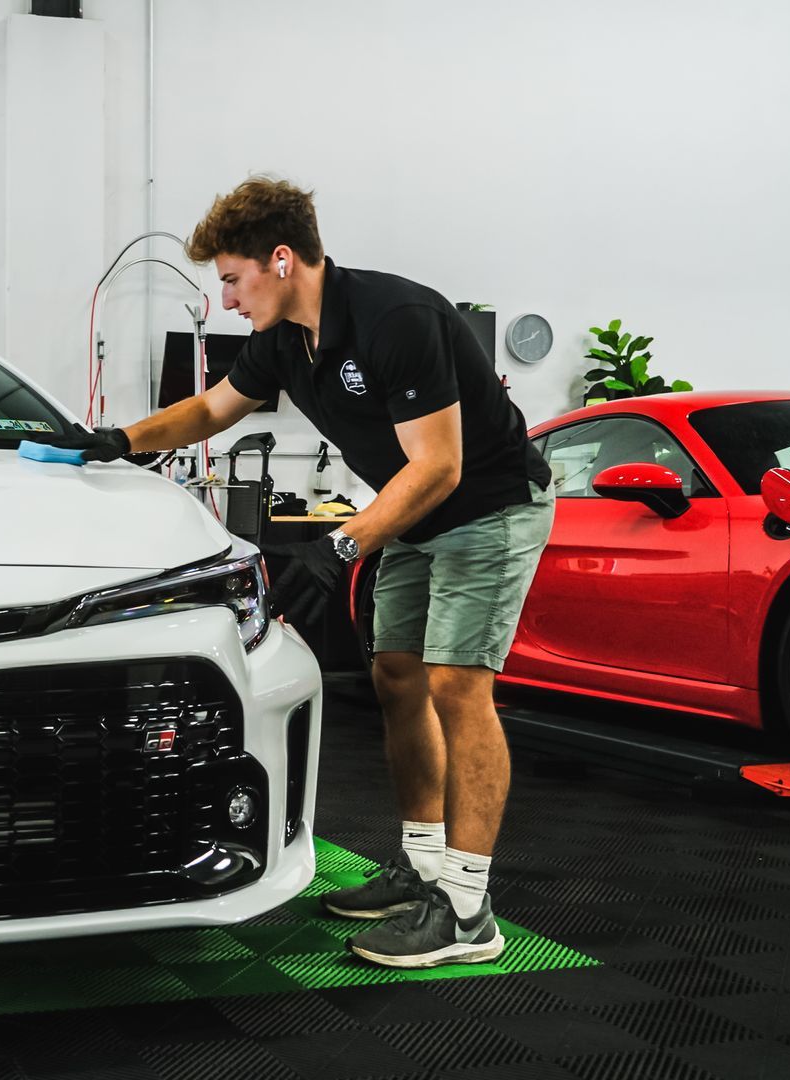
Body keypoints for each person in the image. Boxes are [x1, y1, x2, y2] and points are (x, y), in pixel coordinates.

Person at [54, 176, 554, 968]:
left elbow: (441, 467)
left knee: (458, 683)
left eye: (229, 278)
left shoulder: (399, 319)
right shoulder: (285, 340)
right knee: (395, 676)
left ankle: (466, 908)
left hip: (486, 508)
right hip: (416, 515)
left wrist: (338, 548)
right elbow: (212, 410)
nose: (224, 300)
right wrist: (119, 440)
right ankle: (421, 869)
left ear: (280, 260)